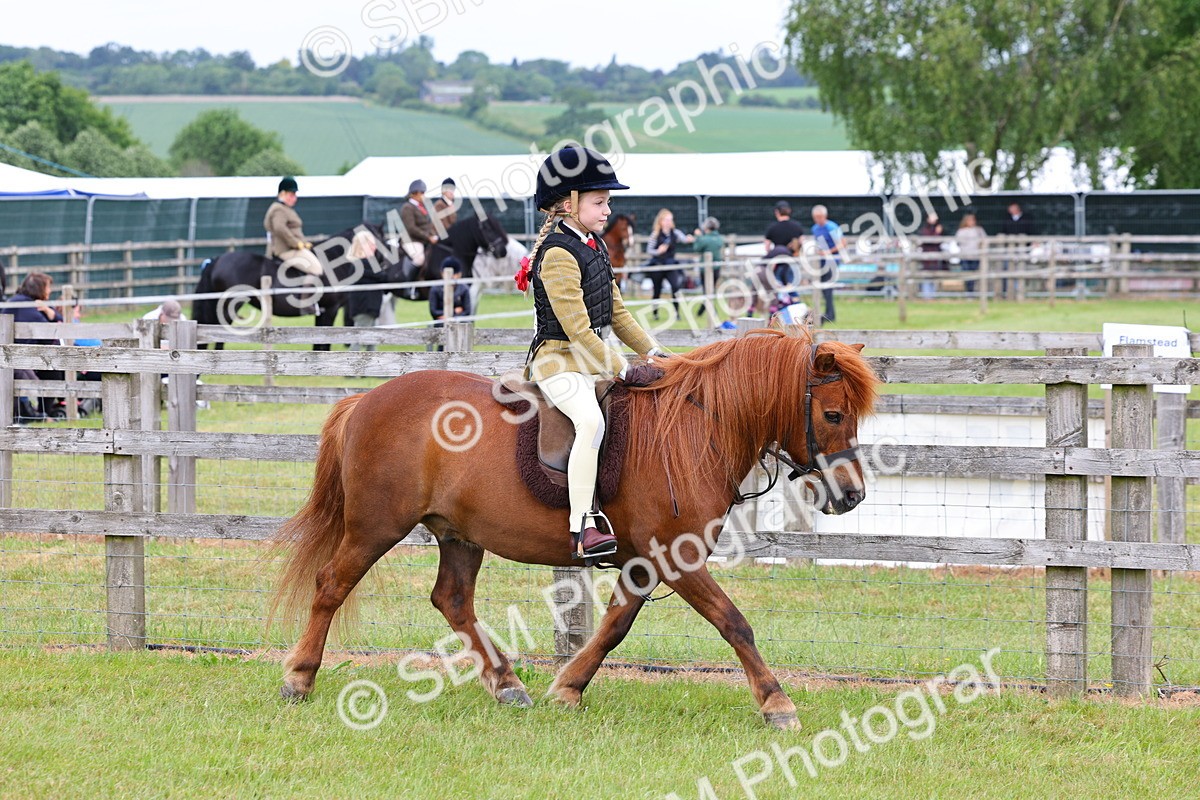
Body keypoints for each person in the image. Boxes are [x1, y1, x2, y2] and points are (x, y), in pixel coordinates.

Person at [513, 145, 669, 560]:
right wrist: (622, 368)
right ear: (568, 204)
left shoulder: (594, 246)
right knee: (591, 423)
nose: (607, 210)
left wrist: (655, 353)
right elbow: (579, 330)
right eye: (599, 202)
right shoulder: (559, 253)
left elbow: (617, 312)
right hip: (557, 362)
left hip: (589, 361)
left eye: (608, 202)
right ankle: (582, 525)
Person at [2, 272, 59, 421]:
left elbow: (60, 320)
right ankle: (37, 415)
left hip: (22, 357)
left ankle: (41, 413)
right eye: (48, 287)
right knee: (42, 378)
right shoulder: (24, 305)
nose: (50, 291)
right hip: (14, 359)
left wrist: (48, 311)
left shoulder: (32, 303)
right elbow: (48, 333)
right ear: (39, 288)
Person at [263, 177, 322, 277]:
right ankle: (308, 293)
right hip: (286, 250)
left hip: (294, 248)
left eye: (295, 195)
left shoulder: (286, 208)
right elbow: (279, 228)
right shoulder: (278, 209)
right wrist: (296, 243)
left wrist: (304, 243)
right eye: (291, 195)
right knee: (316, 269)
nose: (295, 198)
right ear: (282, 194)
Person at [645, 208, 693, 319]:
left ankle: (677, 313)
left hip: (670, 264)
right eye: (666, 220)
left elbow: (685, 239)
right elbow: (649, 250)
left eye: (670, 220)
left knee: (675, 287)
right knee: (657, 290)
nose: (668, 222)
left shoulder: (675, 233)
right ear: (661, 221)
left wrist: (690, 238)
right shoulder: (655, 234)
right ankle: (655, 313)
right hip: (658, 265)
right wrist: (658, 251)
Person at [344, 230, 384, 352]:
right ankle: (349, 366)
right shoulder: (363, 264)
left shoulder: (361, 263)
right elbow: (383, 277)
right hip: (365, 308)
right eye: (372, 244)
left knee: (370, 341)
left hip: (368, 308)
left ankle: (373, 367)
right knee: (358, 340)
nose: (375, 247)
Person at [809, 204, 844, 323]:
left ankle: (829, 315)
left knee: (827, 288)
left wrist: (828, 252)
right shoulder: (815, 228)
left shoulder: (831, 227)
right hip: (819, 262)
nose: (818, 220)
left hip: (831, 261)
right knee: (822, 289)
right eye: (816, 217)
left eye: (820, 217)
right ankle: (828, 315)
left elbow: (842, 243)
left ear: (825, 216)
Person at [691, 217, 725, 322]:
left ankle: (712, 313)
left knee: (707, 291)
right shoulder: (719, 238)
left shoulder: (704, 239)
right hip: (717, 269)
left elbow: (696, 248)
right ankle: (702, 310)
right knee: (710, 291)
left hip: (705, 270)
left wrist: (697, 236)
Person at [399, 179, 438, 267]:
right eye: (422, 193)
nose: (424, 196)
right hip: (412, 241)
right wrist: (428, 237)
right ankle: (410, 279)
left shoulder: (421, 207)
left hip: (423, 240)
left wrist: (434, 235)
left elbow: (427, 225)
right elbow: (411, 228)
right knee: (419, 259)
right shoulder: (407, 208)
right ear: (415, 193)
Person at [955, 213, 987, 294]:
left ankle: (973, 291)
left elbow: (984, 241)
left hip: (976, 256)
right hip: (965, 256)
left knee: (975, 274)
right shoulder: (961, 231)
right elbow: (958, 241)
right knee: (967, 274)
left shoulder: (979, 230)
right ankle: (969, 291)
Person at [918, 213, 944, 298]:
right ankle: (927, 295)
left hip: (935, 258)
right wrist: (937, 233)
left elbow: (939, 242)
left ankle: (932, 296)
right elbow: (929, 240)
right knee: (927, 276)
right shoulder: (925, 229)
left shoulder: (937, 228)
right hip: (927, 258)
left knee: (934, 276)